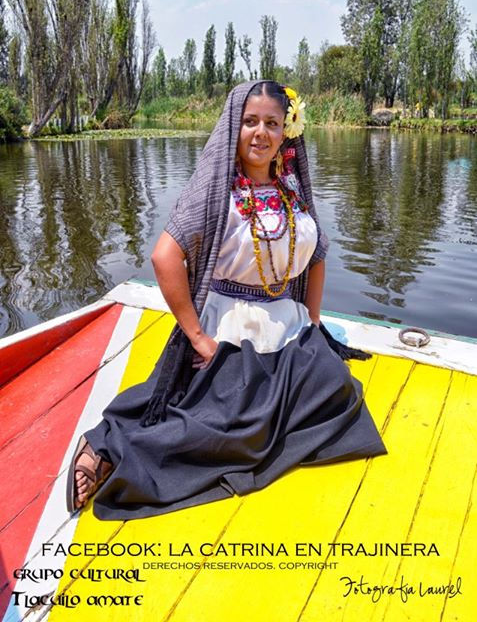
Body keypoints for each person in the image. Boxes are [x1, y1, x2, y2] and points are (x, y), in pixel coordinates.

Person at [66, 80, 387, 520]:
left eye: (272, 123)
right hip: (231, 326)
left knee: (339, 392)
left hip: (290, 327)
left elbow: (318, 256)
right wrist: (197, 337)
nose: (261, 133)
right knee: (229, 426)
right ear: (233, 127)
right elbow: (165, 256)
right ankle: (106, 447)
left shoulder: (292, 190)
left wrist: (314, 323)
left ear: (286, 131)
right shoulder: (217, 192)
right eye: (250, 121)